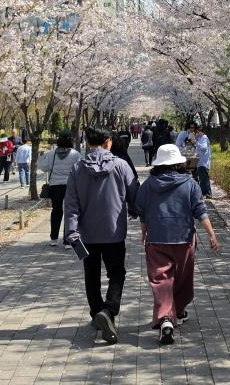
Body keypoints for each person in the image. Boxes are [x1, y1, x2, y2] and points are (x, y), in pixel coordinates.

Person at [135, 144, 220, 344]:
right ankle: (176, 312)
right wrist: (212, 235)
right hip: (183, 239)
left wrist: (144, 234)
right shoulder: (189, 184)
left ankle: (166, 317)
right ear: (179, 163)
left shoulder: (148, 185)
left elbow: (143, 213)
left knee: (161, 280)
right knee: (182, 279)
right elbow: (200, 211)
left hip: (156, 239)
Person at [65, 126, 139, 344]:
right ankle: (108, 311)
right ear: (108, 142)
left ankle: (96, 311)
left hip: (86, 234)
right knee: (117, 273)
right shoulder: (121, 165)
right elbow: (134, 193)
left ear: (88, 143)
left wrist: (71, 230)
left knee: (91, 274)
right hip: (114, 232)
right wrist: (136, 210)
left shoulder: (77, 168)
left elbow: (70, 203)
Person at [39, 132, 81, 247]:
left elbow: (43, 168)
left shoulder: (51, 153)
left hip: (55, 186)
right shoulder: (75, 154)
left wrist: (41, 157)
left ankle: (53, 239)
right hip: (70, 186)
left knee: (56, 211)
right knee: (70, 212)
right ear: (70, 141)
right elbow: (80, 169)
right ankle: (67, 241)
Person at [193, 125, 213, 198]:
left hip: (203, 162)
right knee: (203, 178)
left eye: (198, 132)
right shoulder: (200, 138)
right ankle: (206, 194)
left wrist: (196, 142)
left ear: (201, 132)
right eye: (196, 132)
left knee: (204, 179)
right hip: (201, 161)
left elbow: (204, 148)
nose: (196, 133)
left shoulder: (204, 138)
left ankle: (207, 194)